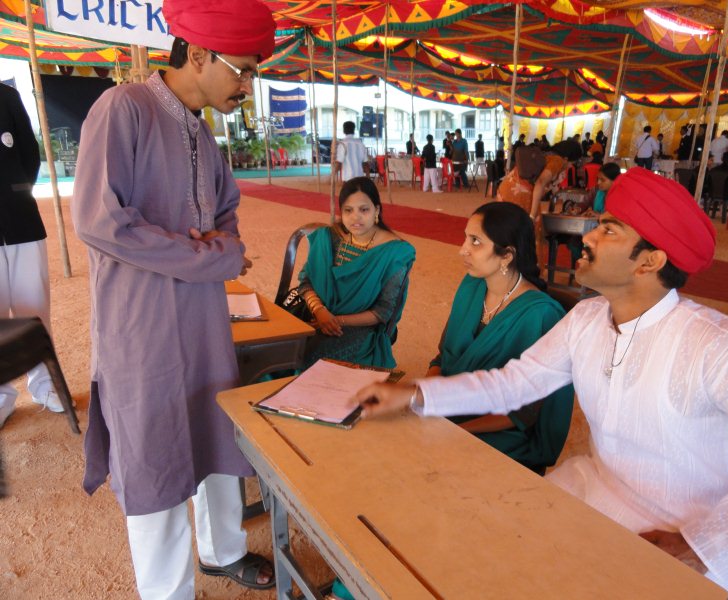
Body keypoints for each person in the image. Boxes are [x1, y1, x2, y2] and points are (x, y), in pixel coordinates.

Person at [356, 167, 728, 600]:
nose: (588, 236)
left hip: (693, 540)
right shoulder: (587, 319)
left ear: (650, 261)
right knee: (478, 548)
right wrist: (416, 394)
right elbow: (515, 383)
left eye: (609, 230)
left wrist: (697, 547)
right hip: (597, 498)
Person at [71, 1, 277, 597]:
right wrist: (211, 256)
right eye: (243, 69)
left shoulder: (201, 132)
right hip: (141, 323)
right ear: (200, 53)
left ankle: (222, 550)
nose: (248, 84)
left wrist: (223, 244)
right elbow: (99, 221)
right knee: (154, 448)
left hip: (203, 317)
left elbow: (227, 210)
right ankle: (168, 591)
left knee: (214, 427)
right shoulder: (123, 108)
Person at [429, 202, 573, 473]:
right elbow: (442, 358)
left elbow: (521, 413)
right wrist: (424, 397)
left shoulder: (540, 315)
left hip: (503, 431)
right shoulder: (472, 285)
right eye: (465, 238)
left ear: (507, 255)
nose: (463, 249)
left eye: (476, 241)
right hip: (450, 407)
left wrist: (457, 430)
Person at [298, 177, 415, 370]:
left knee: (311, 357)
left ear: (377, 210)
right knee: (281, 344)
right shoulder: (330, 237)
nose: (355, 217)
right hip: (316, 312)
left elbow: (383, 311)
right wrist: (320, 311)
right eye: (348, 210)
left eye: (364, 210)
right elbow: (306, 281)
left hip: (361, 327)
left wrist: (337, 320)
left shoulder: (394, 252)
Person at [0, 82, 63, 428]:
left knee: (34, 309)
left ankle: (45, 385)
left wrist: (15, 194)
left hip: (21, 221)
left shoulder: (7, 96)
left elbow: (28, 151)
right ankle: (1, 397)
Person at [498, 139, 581, 220]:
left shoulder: (547, 154)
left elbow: (539, 190)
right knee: (531, 225)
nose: (571, 166)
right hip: (518, 193)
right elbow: (540, 183)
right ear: (566, 159)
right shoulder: (558, 161)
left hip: (506, 189)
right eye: (572, 163)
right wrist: (532, 216)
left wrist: (555, 182)